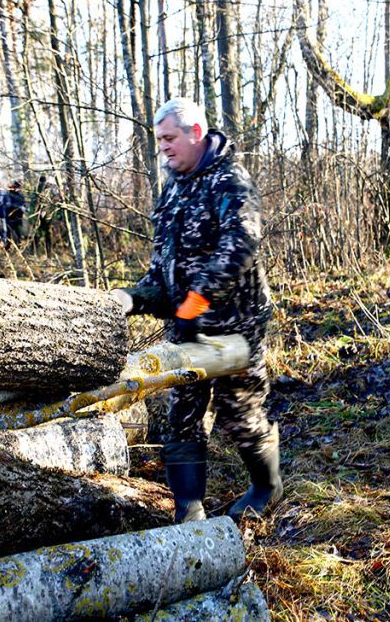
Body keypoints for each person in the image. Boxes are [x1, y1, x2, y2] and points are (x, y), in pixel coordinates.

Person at [113, 98, 280, 523]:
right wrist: (136, 298)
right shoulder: (172, 189)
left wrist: (197, 301)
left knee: (239, 413)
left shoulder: (229, 181)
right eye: (160, 140)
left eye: (170, 138)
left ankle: (266, 486)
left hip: (234, 328)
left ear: (196, 133)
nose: (164, 148)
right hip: (185, 328)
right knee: (181, 415)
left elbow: (240, 246)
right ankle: (188, 508)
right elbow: (162, 266)